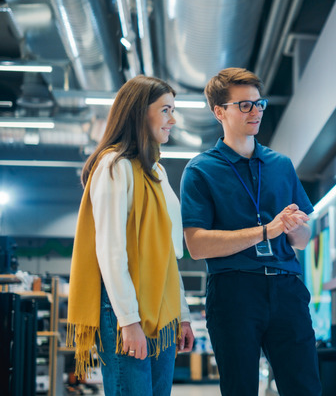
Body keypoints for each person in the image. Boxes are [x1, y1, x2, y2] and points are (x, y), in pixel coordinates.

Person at [180, 67, 321, 395]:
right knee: (240, 388)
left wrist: (293, 227)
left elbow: (302, 240)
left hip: (287, 288)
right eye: (244, 105)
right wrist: (264, 232)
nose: (255, 112)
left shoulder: (281, 165)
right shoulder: (201, 170)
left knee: (305, 388)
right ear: (220, 112)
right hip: (234, 292)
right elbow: (197, 245)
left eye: (259, 104)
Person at [67, 75, 195, 395]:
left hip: (163, 312)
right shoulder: (114, 166)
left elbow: (168, 252)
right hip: (126, 310)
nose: (173, 119)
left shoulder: (157, 172)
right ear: (140, 112)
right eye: (165, 109)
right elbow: (110, 251)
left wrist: (183, 315)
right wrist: (128, 321)